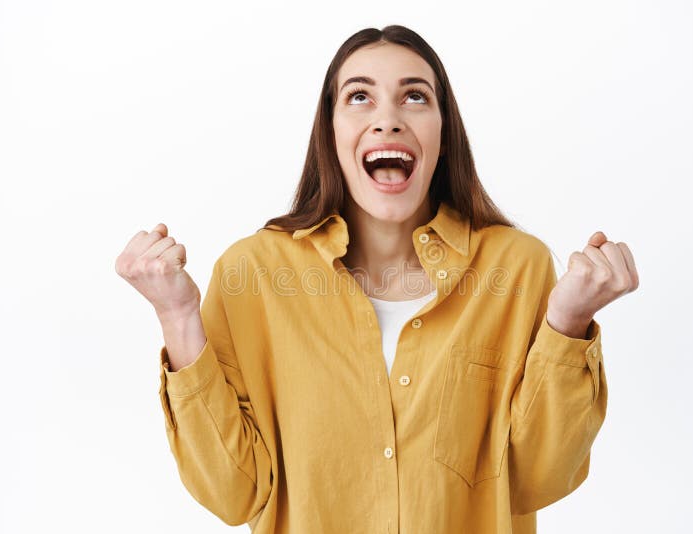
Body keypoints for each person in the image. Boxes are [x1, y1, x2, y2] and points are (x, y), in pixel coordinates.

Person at [115, 24, 638, 534]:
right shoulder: (251, 275)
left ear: (443, 131)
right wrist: (177, 317)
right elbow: (234, 494)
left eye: (415, 97)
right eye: (359, 97)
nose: (387, 120)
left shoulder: (517, 268)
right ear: (332, 129)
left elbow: (538, 478)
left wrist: (568, 324)